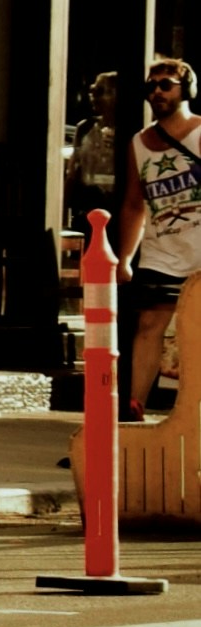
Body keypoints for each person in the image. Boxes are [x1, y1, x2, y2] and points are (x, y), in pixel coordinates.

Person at [118, 57, 201, 416]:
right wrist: (123, 258)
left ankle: (190, 411)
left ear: (186, 90)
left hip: (199, 250)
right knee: (150, 324)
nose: (156, 92)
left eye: (165, 84)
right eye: (151, 86)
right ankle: (135, 404)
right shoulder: (139, 143)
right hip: (161, 253)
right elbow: (134, 204)